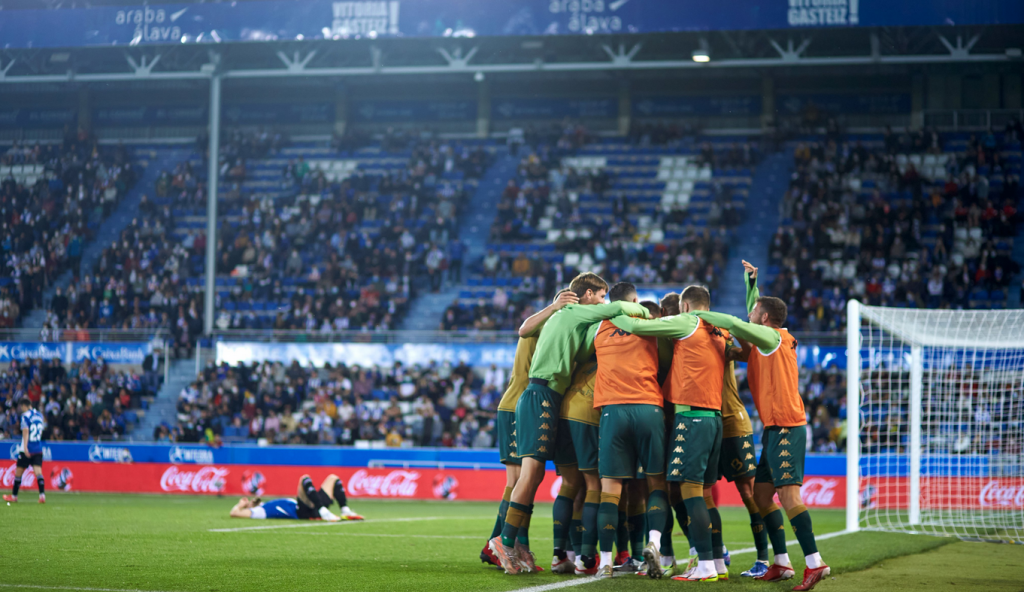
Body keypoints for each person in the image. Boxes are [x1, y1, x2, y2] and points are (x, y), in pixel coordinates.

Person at [488, 272, 649, 576]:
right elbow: (617, 309)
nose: (604, 301)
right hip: (541, 393)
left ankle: (518, 543)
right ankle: (504, 540)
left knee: (533, 476)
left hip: (549, 396)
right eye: (601, 296)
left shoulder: (575, 321)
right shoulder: (575, 311)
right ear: (589, 295)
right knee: (530, 473)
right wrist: (640, 309)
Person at [693, 260, 830, 591]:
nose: (750, 313)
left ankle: (815, 563)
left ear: (764, 319)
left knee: (789, 496)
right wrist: (750, 284)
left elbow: (730, 321)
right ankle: (781, 563)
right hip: (775, 427)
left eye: (754, 310)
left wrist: (692, 317)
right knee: (763, 494)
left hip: (786, 425)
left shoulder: (770, 337)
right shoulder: (771, 338)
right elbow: (749, 320)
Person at [605, 284, 730, 581]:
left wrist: (614, 314)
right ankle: (707, 559)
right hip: (712, 416)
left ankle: (704, 562)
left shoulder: (672, 334)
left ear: (681, 310)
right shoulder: (718, 332)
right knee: (690, 493)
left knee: (680, 492)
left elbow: (636, 327)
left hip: (681, 418)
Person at [481, 288, 578, 573]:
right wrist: (553, 307)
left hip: (521, 404)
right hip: (518, 405)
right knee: (517, 482)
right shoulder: (548, 325)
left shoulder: (553, 325)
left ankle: (510, 545)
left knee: (524, 481)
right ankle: (500, 545)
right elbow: (523, 328)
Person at [589, 283, 671, 579]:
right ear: (635, 301)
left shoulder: (598, 328)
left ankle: (606, 562)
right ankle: (654, 543)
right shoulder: (650, 323)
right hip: (649, 407)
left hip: (613, 410)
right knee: (656, 485)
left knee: (610, 491)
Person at [229, 474, 363, 521]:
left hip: (310, 506)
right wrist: (240, 505)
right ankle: (323, 511)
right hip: (303, 512)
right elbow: (234, 513)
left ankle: (345, 510)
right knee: (304, 479)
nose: (251, 501)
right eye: (249, 503)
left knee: (333, 478)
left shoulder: (265, 504)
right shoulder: (260, 511)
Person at [5, 398, 46, 504]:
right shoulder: (40, 415)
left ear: (24, 406)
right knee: (38, 472)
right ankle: (42, 495)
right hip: (38, 448)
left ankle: (14, 496)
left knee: (18, 472)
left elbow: (26, 431)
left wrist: (26, 446)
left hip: (26, 449)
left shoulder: (25, 416)